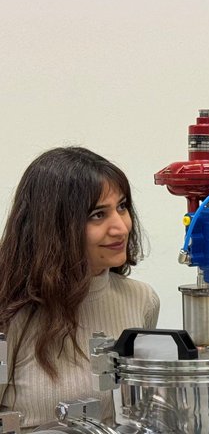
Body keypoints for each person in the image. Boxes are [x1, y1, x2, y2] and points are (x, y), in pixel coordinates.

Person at [0, 147, 160, 432]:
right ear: (54, 226)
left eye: (121, 207)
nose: (120, 228)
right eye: (98, 215)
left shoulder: (142, 300)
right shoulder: (9, 310)